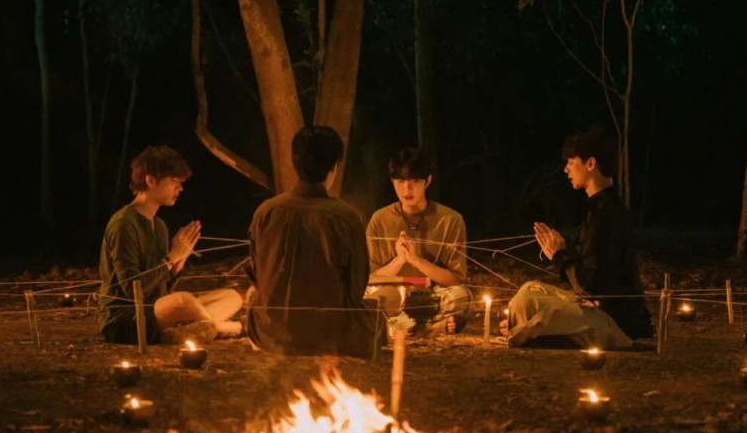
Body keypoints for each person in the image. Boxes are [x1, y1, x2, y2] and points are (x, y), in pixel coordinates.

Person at [501, 126, 653, 349]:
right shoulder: (598, 209)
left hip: (612, 321)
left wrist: (559, 255)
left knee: (544, 313)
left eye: (571, 162)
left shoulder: (608, 213)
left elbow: (589, 284)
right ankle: (526, 327)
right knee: (527, 294)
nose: (566, 169)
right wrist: (561, 251)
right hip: (593, 308)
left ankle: (526, 330)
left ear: (590, 164)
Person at [245, 125, 384, 358]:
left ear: (294, 162)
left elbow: (257, 273)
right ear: (334, 167)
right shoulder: (346, 217)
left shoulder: (266, 212)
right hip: (328, 335)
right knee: (379, 313)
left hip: (270, 333)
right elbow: (356, 288)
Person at [97, 146, 243, 344]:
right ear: (150, 181)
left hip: (158, 310)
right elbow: (132, 289)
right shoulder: (123, 224)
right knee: (183, 301)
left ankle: (193, 328)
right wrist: (171, 257)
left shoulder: (160, 226)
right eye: (174, 181)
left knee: (231, 297)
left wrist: (179, 261)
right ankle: (215, 327)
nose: (180, 189)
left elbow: (162, 288)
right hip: (127, 319)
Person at [366, 147, 471, 335]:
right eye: (400, 181)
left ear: (428, 181)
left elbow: (455, 280)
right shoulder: (379, 219)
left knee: (462, 296)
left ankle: (404, 328)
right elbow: (370, 279)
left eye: (415, 181)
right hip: (394, 297)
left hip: (431, 297)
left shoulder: (450, 220)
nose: (407, 189)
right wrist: (399, 261)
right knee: (371, 298)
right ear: (392, 181)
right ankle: (427, 327)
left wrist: (416, 261)